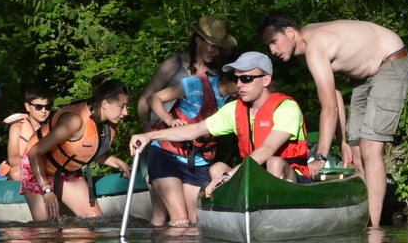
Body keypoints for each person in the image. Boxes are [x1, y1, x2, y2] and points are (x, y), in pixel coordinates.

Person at [260, 12, 408, 229]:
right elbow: (335, 96)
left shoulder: (315, 46)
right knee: (357, 151)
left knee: (370, 148)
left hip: (391, 61)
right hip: (365, 76)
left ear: (290, 32)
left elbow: (329, 108)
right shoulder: (305, 51)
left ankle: (373, 230)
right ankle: (365, 217)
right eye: (268, 45)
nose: (272, 50)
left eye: (274, 42)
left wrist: (321, 156)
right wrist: (343, 142)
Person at [130, 51, 309, 193]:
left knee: (274, 163)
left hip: (292, 179)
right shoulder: (235, 109)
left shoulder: (287, 108)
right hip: (256, 177)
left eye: (246, 78)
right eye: (237, 78)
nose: (239, 84)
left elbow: (267, 150)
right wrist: (150, 136)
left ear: (266, 80)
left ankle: (275, 215)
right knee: (217, 168)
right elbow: (194, 130)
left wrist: (229, 176)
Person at [139, 69, 238, 226]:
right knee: (180, 220)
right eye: (241, 80)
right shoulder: (196, 84)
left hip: (198, 161)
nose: (244, 86)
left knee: (196, 223)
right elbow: (153, 98)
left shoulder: (236, 101)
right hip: (166, 153)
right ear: (227, 78)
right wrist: (169, 121)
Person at [25, 77, 133, 220]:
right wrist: (46, 189)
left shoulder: (106, 122)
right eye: (122, 106)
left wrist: (121, 164)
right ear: (105, 104)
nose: (126, 113)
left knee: (95, 221)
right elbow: (34, 152)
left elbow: (89, 150)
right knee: (46, 232)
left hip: (66, 171)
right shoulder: (74, 121)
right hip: (36, 166)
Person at [136, 15, 236, 128]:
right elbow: (147, 96)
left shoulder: (216, 72)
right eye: (212, 46)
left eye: (219, 48)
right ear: (198, 40)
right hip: (160, 133)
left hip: (195, 140)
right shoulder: (175, 62)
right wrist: (145, 123)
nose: (216, 53)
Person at [5, 85, 55, 221]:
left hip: (45, 171)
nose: (43, 111)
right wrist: (36, 164)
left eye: (47, 107)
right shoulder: (18, 127)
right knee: (15, 173)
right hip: (25, 169)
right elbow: (12, 158)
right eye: (38, 107)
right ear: (27, 107)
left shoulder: (53, 128)